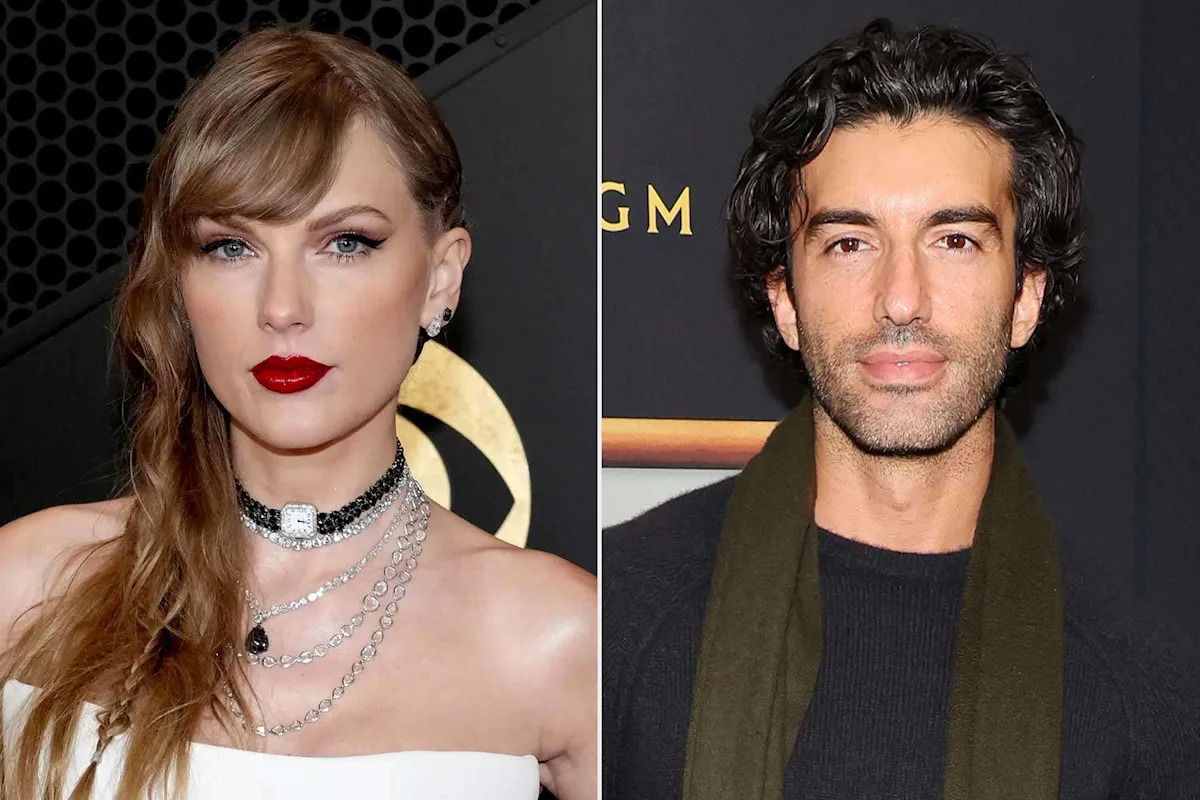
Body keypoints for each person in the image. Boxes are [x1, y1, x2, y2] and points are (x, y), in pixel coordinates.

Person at [603, 18, 1200, 800]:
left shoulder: (1146, 694)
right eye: (850, 243)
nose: (901, 299)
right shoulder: (616, 619)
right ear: (785, 300)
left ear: (1026, 296)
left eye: (954, 240)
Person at [0, 27, 595, 800]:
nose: (283, 307)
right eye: (231, 247)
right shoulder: (29, 583)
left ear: (441, 279)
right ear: (179, 283)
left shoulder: (559, 640)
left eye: (345, 243)